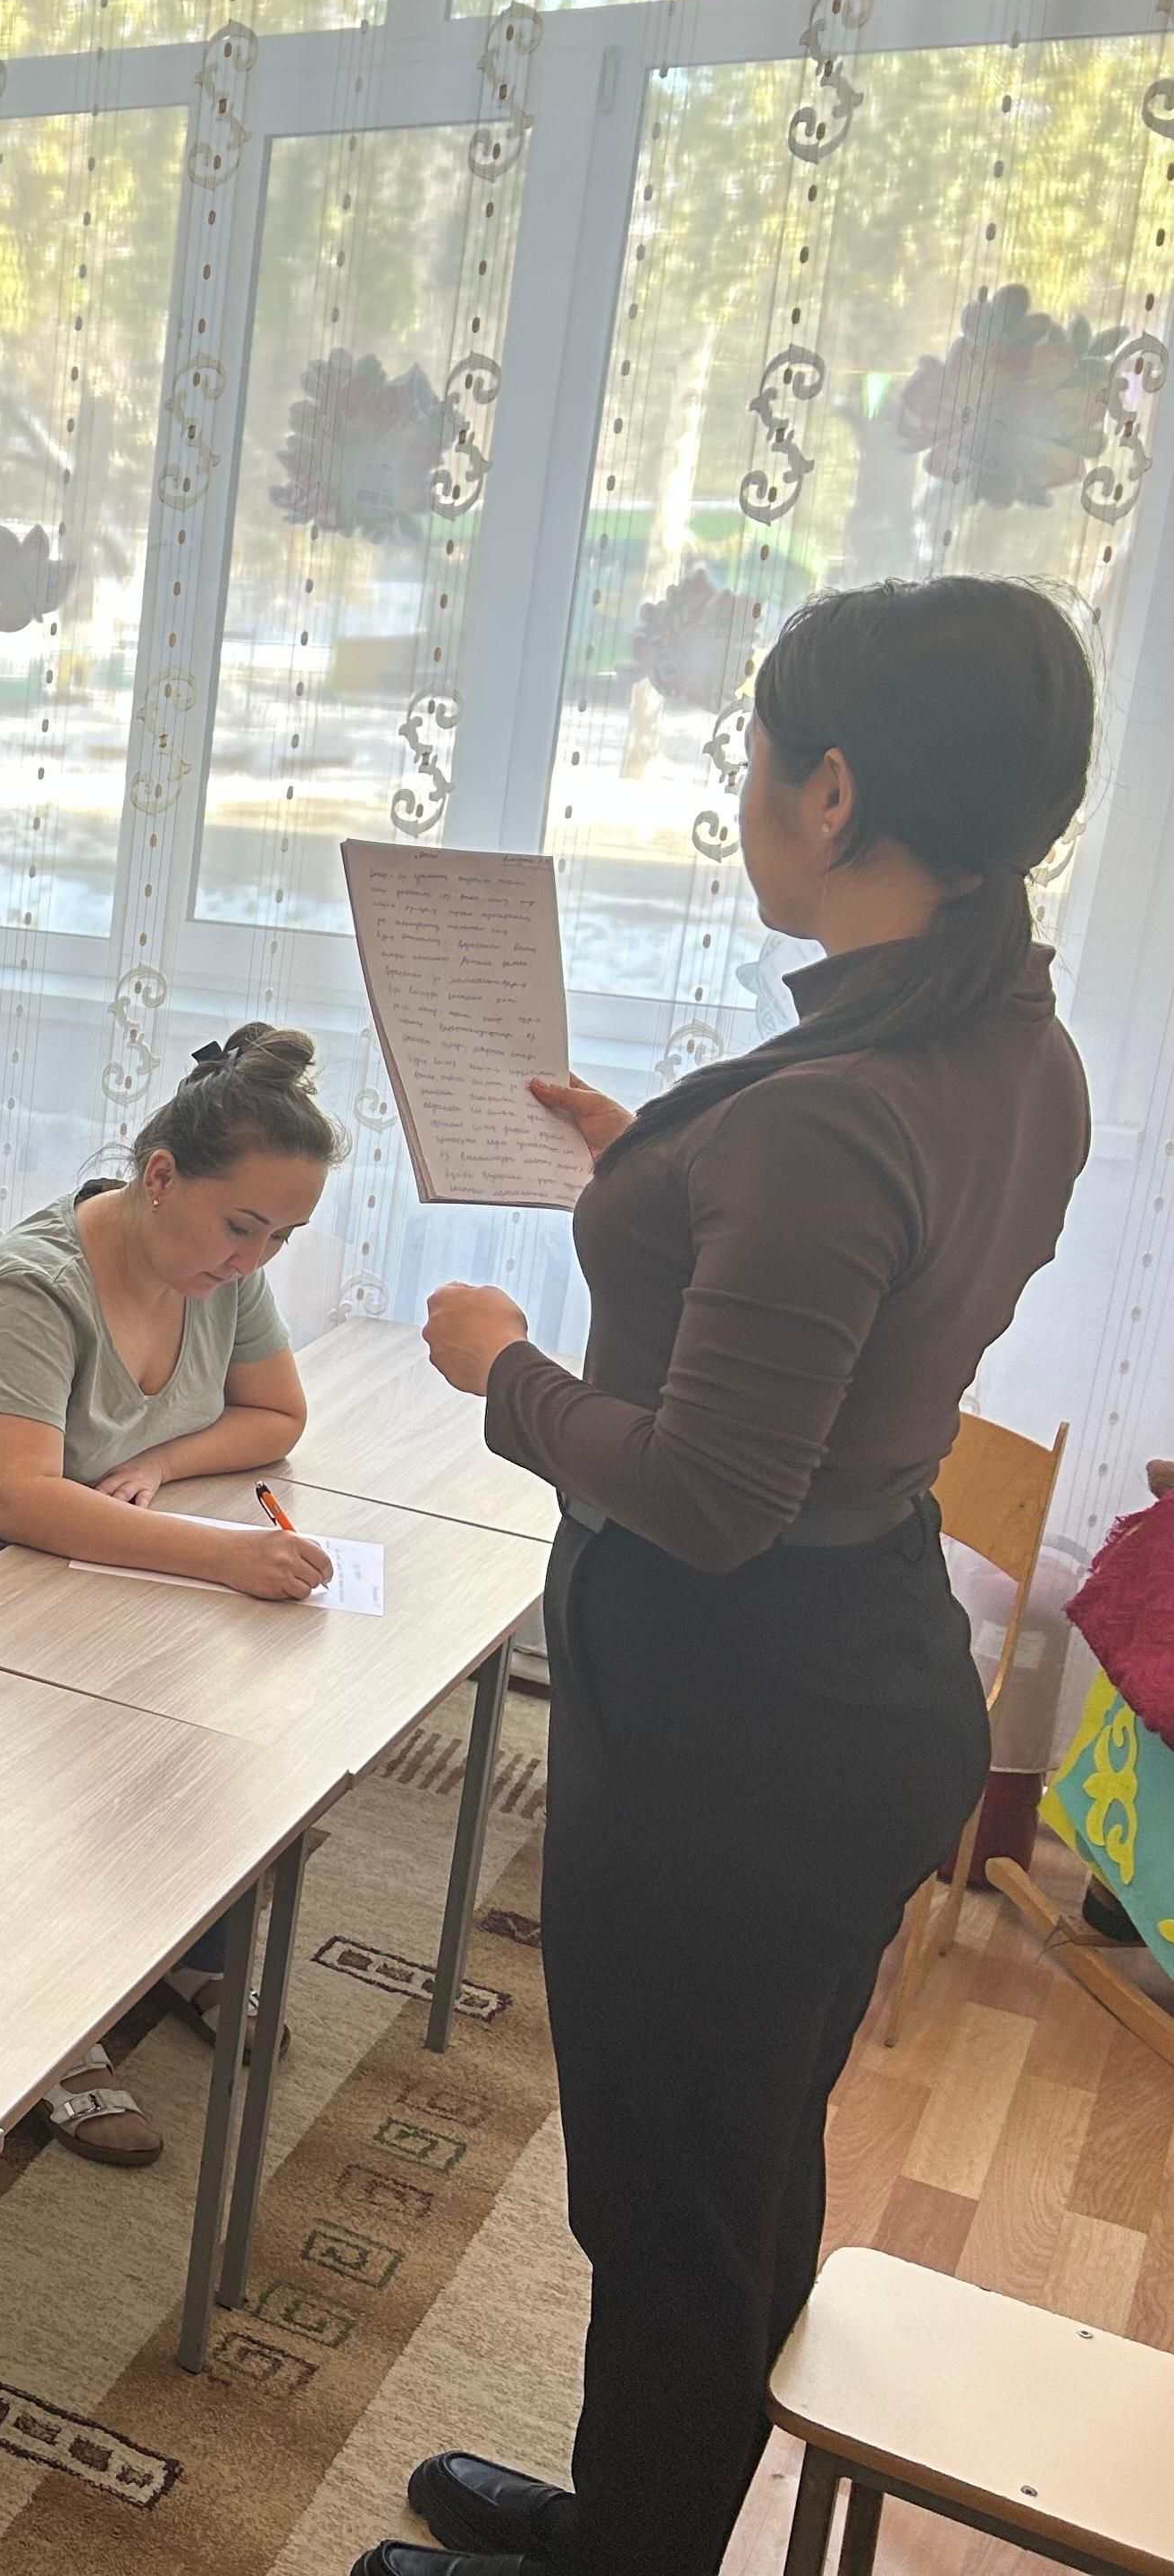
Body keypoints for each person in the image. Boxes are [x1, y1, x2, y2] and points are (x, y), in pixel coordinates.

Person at [368, 576, 1093, 2576]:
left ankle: (634, 2551)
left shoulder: (831, 1118)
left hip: (732, 1711)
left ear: (833, 791)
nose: (748, 793)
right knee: (741, 2155)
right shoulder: (1013, 1047)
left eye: (755, 761)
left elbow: (706, 1495)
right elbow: (859, 1295)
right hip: (854, 1673)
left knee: (671, 2196)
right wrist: (660, 1175)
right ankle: (633, 2515)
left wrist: (501, 1370)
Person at [0, 1023, 344, 2164]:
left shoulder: (219, 1275)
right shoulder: (35, 1283)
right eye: (243, 1226)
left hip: (48, 1568)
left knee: (203, 1702)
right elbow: (22, 1502)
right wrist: (224, 1556)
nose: (254, 1259)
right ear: (160, 1177)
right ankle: (46, 2030)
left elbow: (276, 1416)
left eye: (281, 1239)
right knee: (50, 1742)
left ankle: (191, 1946)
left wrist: (163, 1461)